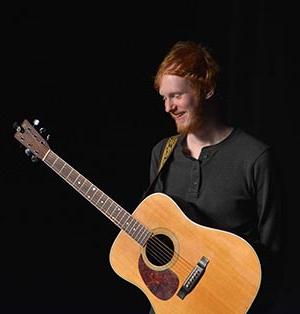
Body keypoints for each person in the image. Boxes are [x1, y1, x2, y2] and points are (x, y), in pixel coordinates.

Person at [145, 41, 285, 313]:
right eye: (164, 98)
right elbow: (152, 230)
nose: (168, 108)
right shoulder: (162, 153)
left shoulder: (255, 158)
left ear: (207, 89)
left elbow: (274, 256)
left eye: (176, 96)